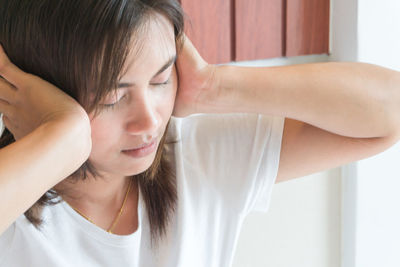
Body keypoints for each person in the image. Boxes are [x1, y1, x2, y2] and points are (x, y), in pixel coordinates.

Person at [1, 0, 400, 266]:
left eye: (160, 81)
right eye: (110, 98)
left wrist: (215, 86)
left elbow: (389, 113)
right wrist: (63, 137)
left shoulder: (194, 153)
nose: (151, 122)